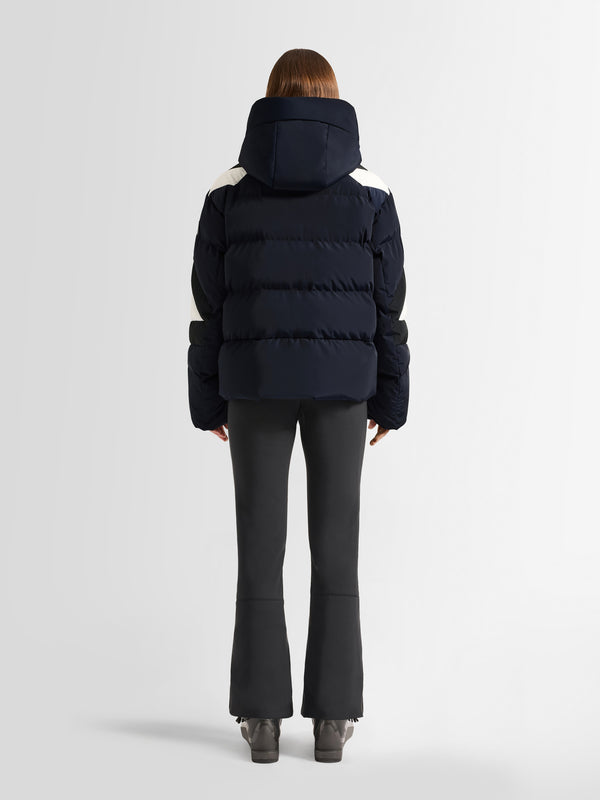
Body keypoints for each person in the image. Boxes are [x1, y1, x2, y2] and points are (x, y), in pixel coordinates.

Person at [187, 48, 409, 763]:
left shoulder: (229, 189)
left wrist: (208, 399)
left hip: (253, 384)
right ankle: (334, 720)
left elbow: (210, 304)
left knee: (260, 551)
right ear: (333, 100)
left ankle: (260, 720)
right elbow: (388, 306)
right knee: (336, 550)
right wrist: (391, 397)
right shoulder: (371, 190)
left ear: (271, 99)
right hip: (344, 386)